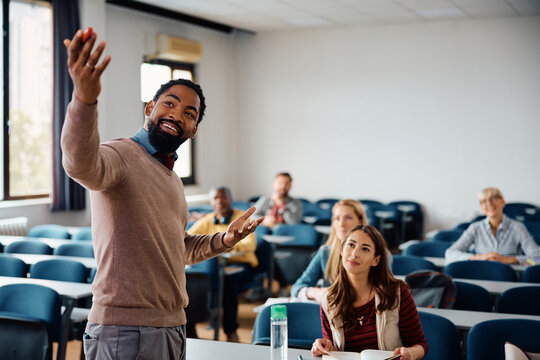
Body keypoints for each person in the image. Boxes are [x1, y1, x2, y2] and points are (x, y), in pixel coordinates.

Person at [61, 29, 263, 359]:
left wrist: (225, 239)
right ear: (150, 107)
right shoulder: (121, 155)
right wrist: (84, 100)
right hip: (124, 328)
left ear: (193, 130)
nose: (177, 114)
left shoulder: (171, 178)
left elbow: (178, 248)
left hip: (171, 326)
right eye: (169, 103)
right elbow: (79, 163)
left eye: (189, 113)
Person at [311, 225, 427, 360]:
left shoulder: (397, 293)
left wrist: (410, 353)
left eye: (365, 249)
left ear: (375, 260)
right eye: (351, 245)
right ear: (342, 250)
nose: (355, 253)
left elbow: (420, 345)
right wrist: (324, 346)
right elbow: (332, 349)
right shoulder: (329, 299)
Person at [188, 187, 258, 342]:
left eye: (223, 197)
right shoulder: (207, 219)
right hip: (215, 267)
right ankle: (190, 327)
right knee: (192, 282)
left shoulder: (241, 218)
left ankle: (230, 330)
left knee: (227, 282)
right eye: (215, 198)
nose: (219, 201)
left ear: (230, 199)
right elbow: (188, 240)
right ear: (211, 202)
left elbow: (249, 245)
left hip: (241, 266)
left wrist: (225, 245)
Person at [291, 199, 368, 302]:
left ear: (360, 221)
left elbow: (385, 289)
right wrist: (315, 292)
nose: (341, 224)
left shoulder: (376, 253)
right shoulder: (325, 252)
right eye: (337, 218)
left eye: (348, 218)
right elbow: (297, 288)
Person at [446, 187, 540, 264]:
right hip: (481, 274)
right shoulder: (475, 228)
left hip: (509, 277)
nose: (489, 203)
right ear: (481, 207)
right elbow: (450, 254)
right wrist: (478, 257)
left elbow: (537, 258)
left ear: (502, 202)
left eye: (493, 198)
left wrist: (509, 259)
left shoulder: (517, 227)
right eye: (483, 201)